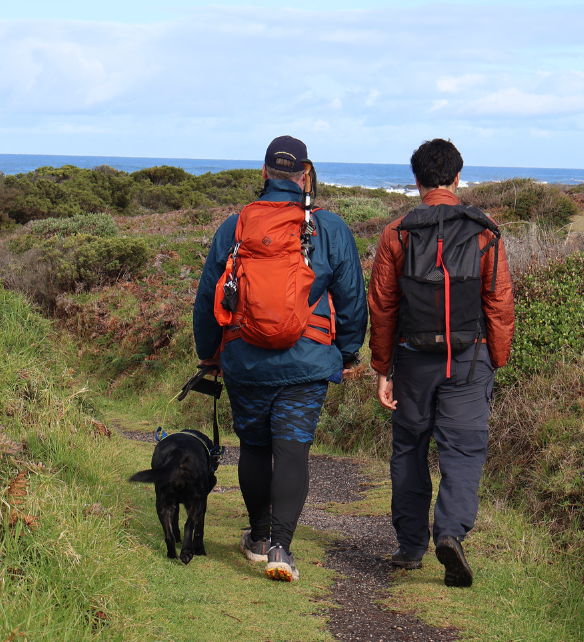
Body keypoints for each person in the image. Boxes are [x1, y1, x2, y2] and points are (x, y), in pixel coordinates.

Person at [193, 135, 367, 582]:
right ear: (305, 174)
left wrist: (209, 355)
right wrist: (347, 352)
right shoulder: (329, 228)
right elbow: (351, 300)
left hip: (245, 359)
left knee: (254, 446)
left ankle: (256, 535)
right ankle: (280, 548)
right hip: (307, 361)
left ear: (265, 172)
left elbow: (208, 298)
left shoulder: (235, 227)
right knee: (293, 450)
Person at [368, 138, 514, 586]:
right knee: (464, 451)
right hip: (469, 361)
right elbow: (500, 301)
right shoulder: (484, 230)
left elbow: (383, 305)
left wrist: (382, 367)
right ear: (456, 177)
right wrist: (497, 358)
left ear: (416, 181)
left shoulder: (397, 233)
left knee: (410, 450)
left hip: (413, 360)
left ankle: (411, 546)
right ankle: (450, 533)